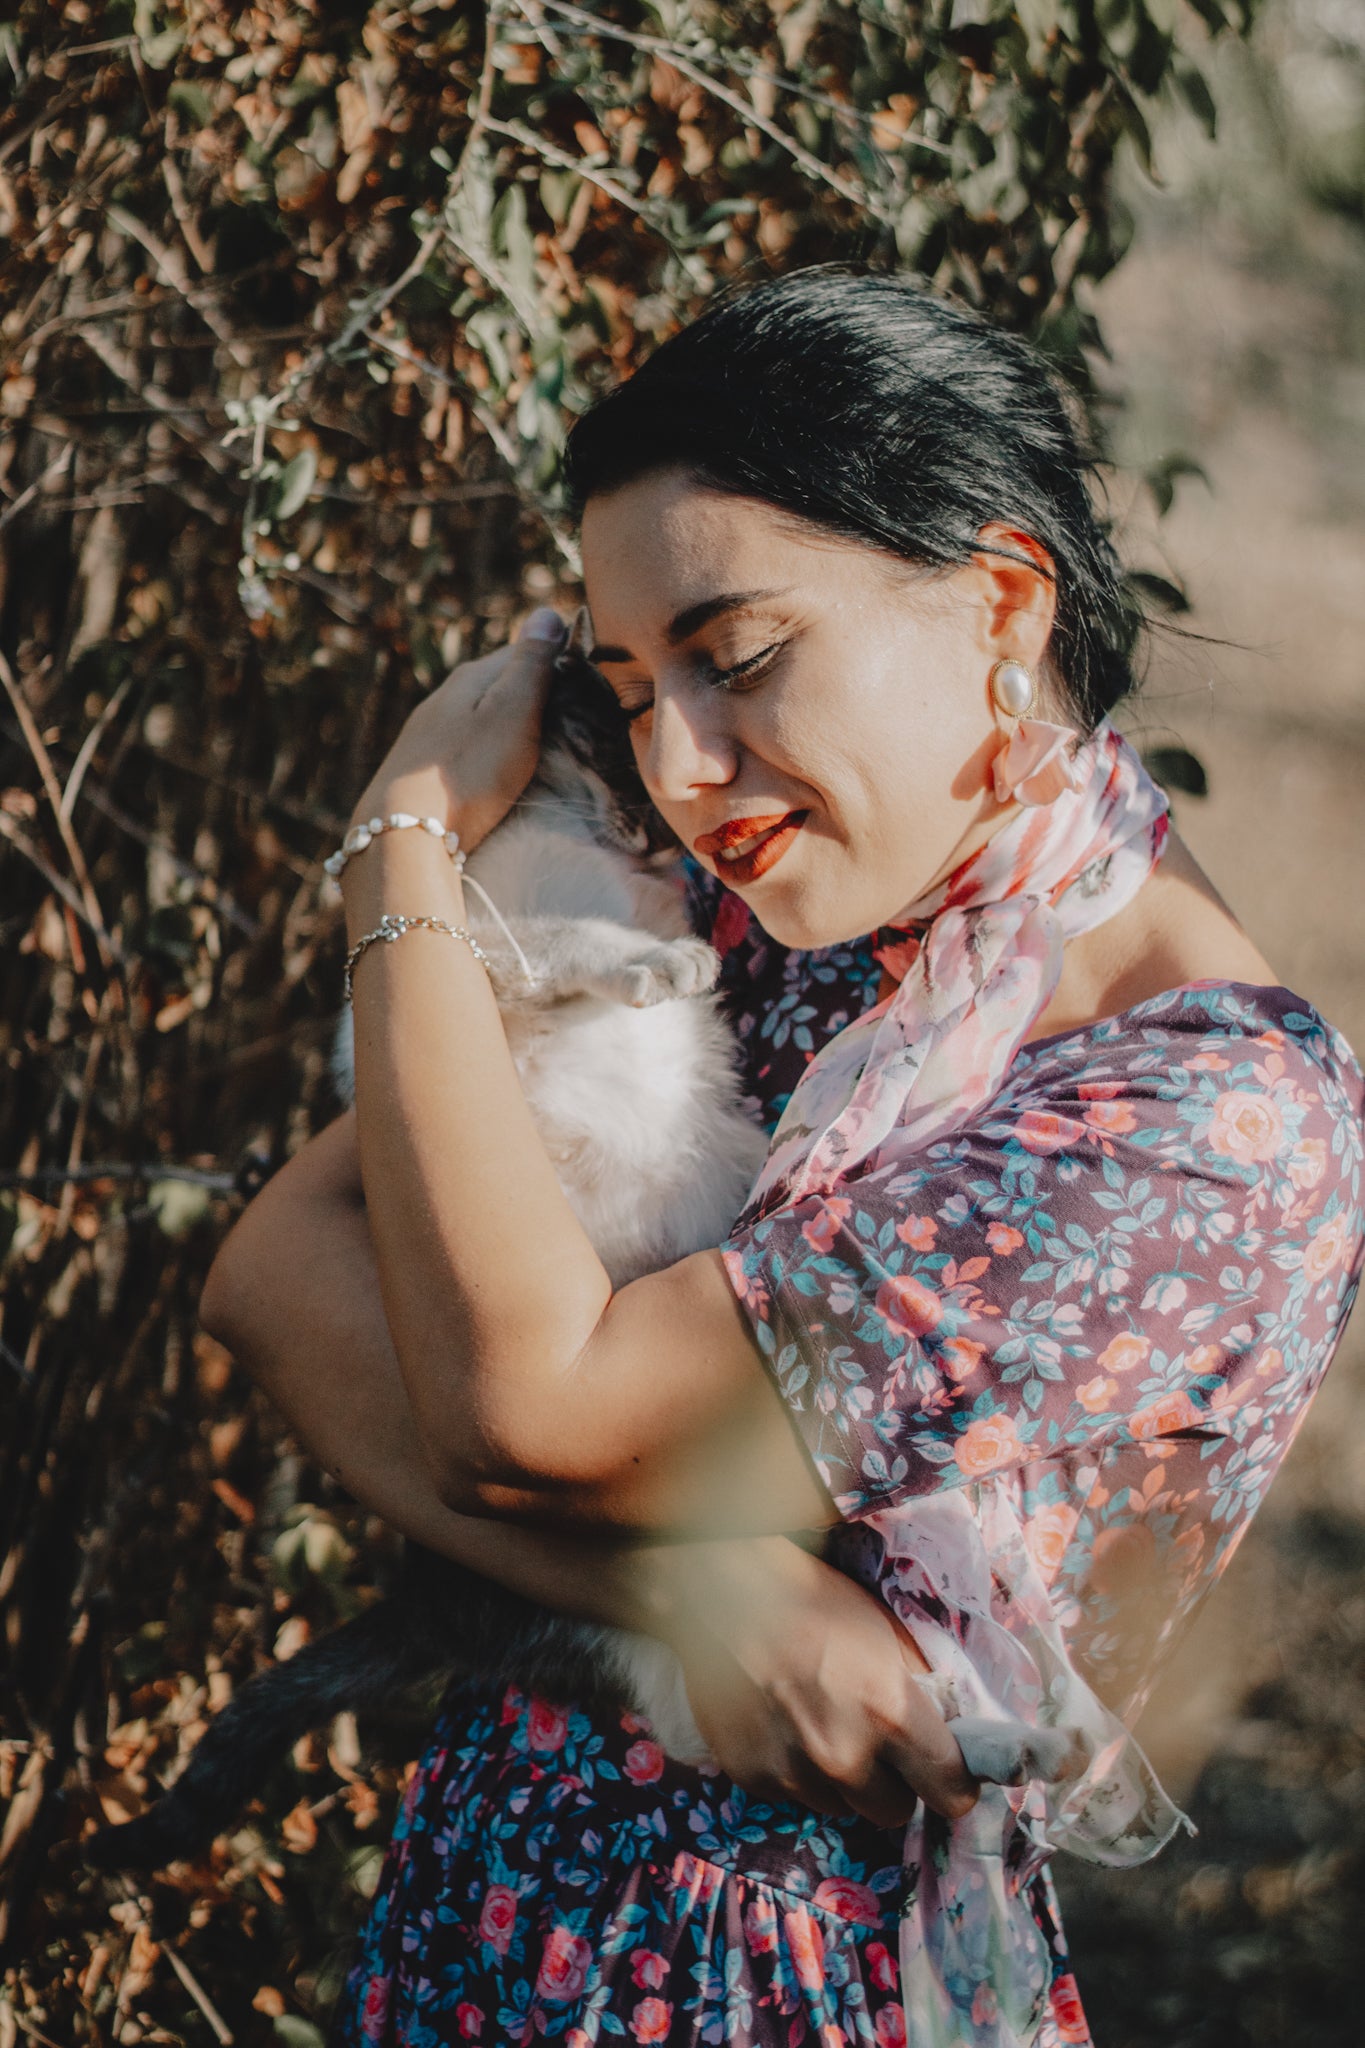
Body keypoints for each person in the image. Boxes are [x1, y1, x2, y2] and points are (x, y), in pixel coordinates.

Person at [202, 270, 1364, 2048]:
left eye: (736, 659)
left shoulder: (1203, 1129)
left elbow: (514, 1405)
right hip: (489, 1917)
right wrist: (715, 1596)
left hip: (765, 1986)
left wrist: (408, 850)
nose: (675, 763)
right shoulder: (815, 921)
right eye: (627, 684)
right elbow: (285, 1275)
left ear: (999, 603)